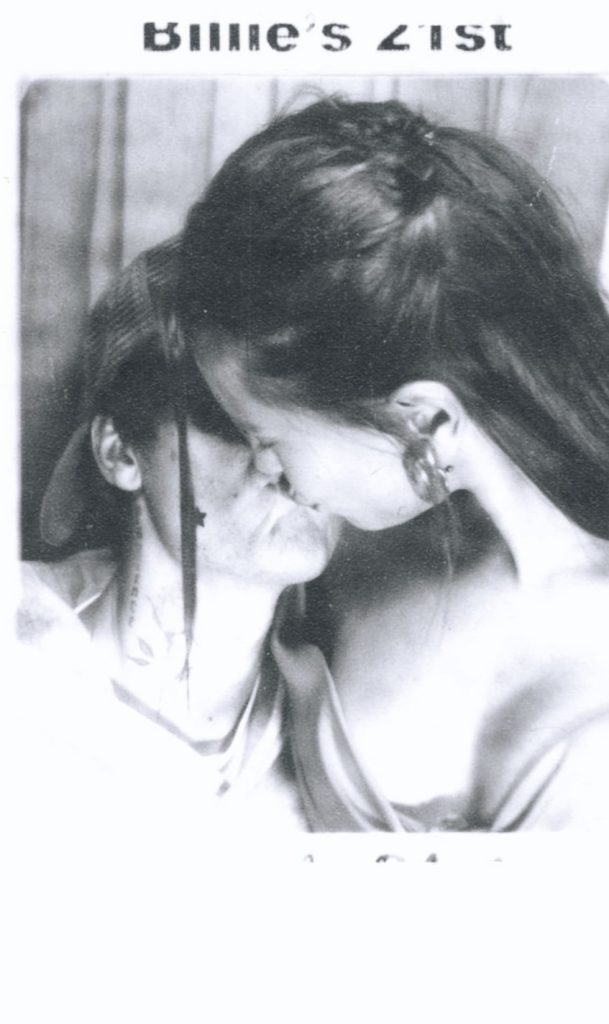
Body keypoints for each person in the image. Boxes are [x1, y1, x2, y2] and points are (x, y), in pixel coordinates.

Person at [177, 96, 609, 831]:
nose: (265, 469)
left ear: (425, 422)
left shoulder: (587, 708)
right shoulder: (343, 544)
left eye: (267, 436)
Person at [16, 237, 341, 845]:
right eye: (237, 422)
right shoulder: (20, 663)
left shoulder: (347, 725)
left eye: (327, 421)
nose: (293, 465)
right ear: (121, 453)